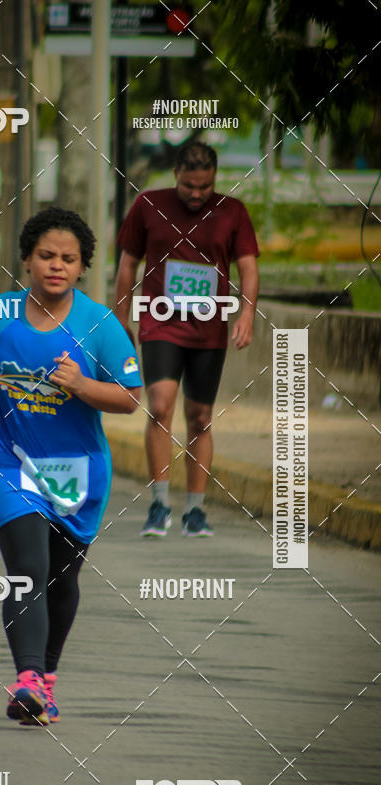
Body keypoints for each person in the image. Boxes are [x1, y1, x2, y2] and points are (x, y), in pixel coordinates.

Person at [0, 207, 142, 725]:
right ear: (28, 261)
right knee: (27, 571)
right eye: (46, 256)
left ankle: (46, 681)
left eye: (68, 259)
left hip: (76, 472)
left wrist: (81, 385)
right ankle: (27, 679)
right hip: (7, 460)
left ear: (82, 268)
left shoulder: (99, 325)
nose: (56, 265)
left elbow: (129, 399)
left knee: (61, 578)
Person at [114, 141, 259, 538]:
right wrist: (120, 318)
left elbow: (247, 267)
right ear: (176, 174)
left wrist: (246, 312)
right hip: (160, 322)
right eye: (189, 186)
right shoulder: (148, 205)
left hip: (209, 328)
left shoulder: (233, 212)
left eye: (205, 187)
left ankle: (195, 511)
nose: (197, 194)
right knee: (159, 406)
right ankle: (159, 503)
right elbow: (128, 264)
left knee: (199, 418)